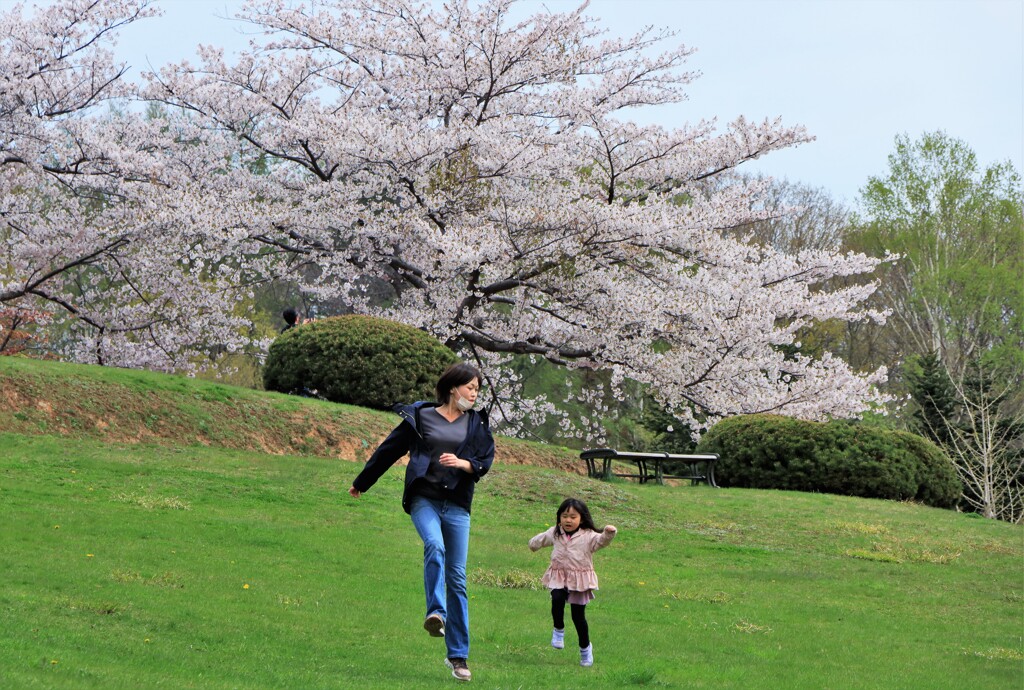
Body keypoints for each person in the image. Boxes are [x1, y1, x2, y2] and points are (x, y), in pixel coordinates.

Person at [348, 362, 494, 683]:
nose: (474, 393)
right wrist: (363, 481)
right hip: (423, 498)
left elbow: (485, 460)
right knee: (434, 545)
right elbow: (389, 450)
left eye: (477, 389)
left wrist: (463, 463)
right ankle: (436, 613)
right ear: (454, 387)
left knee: (457, 578)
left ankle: (457, 656)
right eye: (470, 387)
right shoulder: (421, 416)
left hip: (457, 505)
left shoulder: (476, 423)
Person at [528, 497, 617, 667]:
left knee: (578, 617)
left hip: (579, 580)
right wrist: (532, 544)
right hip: (559, 576)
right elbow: (542, 539)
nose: (568, 520)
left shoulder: (589, 536)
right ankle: (558, 630)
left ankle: (585, 649)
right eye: (564, 516)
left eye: (573, 517)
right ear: (559, 517)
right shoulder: (555, 532)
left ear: (581, 518)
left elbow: (601, 542)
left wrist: (608, 533)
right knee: (557, 598)